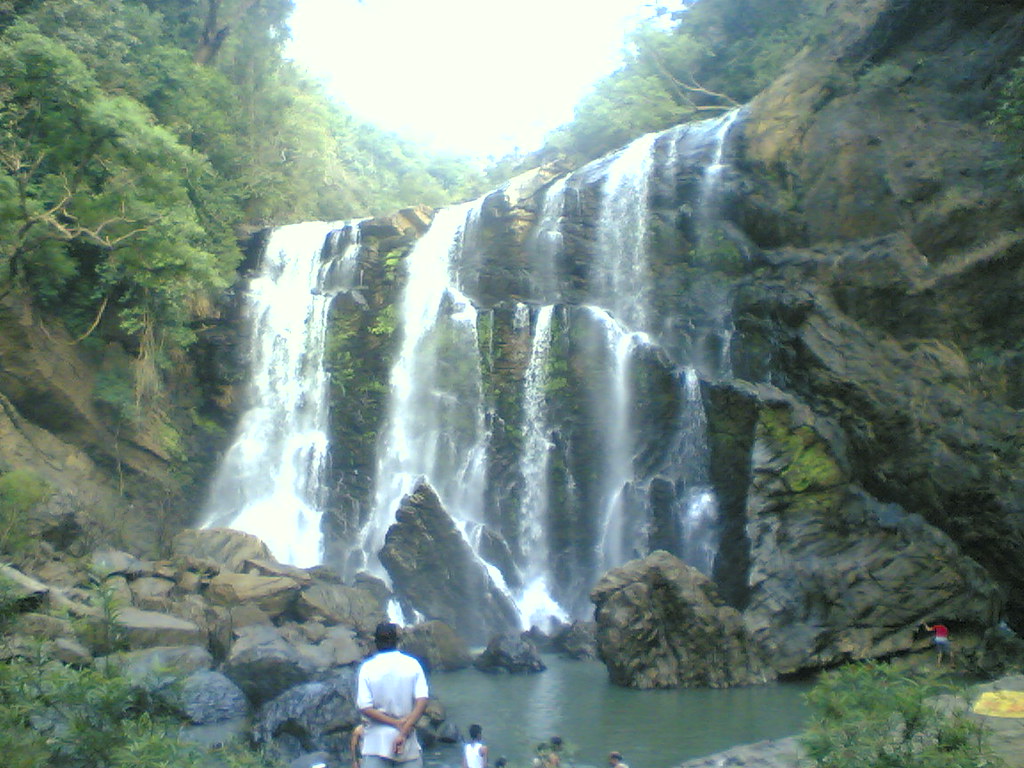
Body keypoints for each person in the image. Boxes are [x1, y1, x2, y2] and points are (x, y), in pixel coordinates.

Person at [357, 622, 430, 768]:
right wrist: (404, 729)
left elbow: (365, 707)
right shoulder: (412, 664)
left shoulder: (367, 668)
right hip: (409, 747)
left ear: (376, 642)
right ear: (397, 641)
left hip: (375, 746)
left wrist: (395, 723)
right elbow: (422, 700)